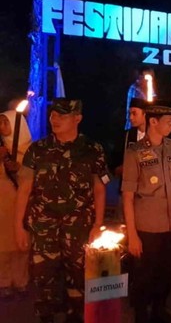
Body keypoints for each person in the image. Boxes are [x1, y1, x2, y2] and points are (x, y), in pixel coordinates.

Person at [14, 98, 108, 323]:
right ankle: (46, 317)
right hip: (44, 226)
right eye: (53, 114)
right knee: (44, 278)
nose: (54, 119)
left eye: (62, 115)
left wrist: (97, 225)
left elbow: (99, 190)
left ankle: (74, 317)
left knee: (77, 278)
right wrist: (18, 226)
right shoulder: (38, 150)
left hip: (79, 227)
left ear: (78, 118)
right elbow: (24, 190)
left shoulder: (92, 150)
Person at [121, 100, 171, 323]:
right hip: (146, 227)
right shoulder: (134, 153)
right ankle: (141, 316)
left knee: (166, 273)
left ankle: (159, 311)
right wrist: (132, 235)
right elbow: (128, 196)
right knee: (144, 276)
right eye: (169, 121)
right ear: (153, 121)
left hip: (170, 224)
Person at [0, 110, 31, 299]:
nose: (2, 126)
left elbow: (33, 176)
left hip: (21, 202)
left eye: (5, 122)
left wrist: (18, 167)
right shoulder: (2, 148)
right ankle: (3, 280)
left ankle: (20, 280)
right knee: (3, 242)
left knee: (21, 242)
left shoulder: (30, 149)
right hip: (3, 203)